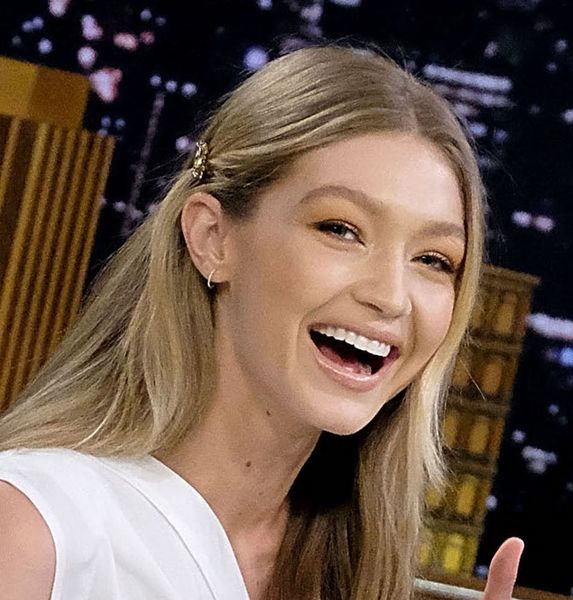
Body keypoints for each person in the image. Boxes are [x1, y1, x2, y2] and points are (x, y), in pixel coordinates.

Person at [0, 45, 523, 599]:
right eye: (340, 230)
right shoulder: (35, 529)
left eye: (433, 260)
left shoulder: (352, 572)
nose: (391, 297)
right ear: (212, 237)